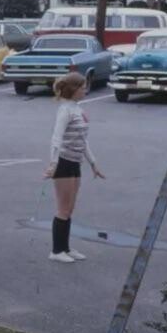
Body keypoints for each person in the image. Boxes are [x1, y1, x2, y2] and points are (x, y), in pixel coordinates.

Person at [44, 72, 105, 263]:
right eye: (83, 87)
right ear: (73, 90)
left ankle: (65, 248)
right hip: (63, 162)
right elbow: (56, 138)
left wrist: (93, 163)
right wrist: (53, 164)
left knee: (69, 208)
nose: (85, 90)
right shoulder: (65, 110)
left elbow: (82, 140)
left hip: (75, 162)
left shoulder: (77, 109)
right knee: (63, 209)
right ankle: (56, 251)